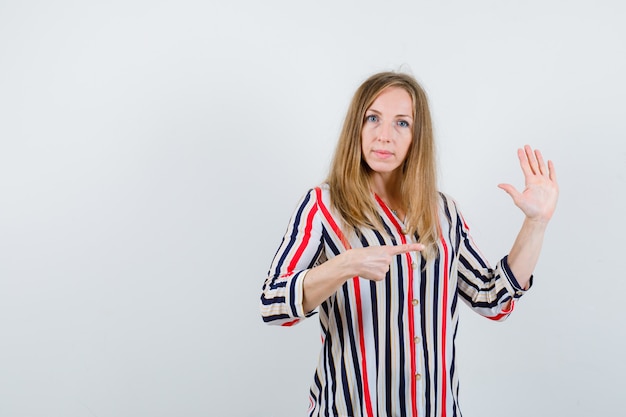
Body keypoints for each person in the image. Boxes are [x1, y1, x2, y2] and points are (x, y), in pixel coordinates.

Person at [260, 71, 558, 417]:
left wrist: (535, 223)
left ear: (418, 136)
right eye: (373, 118)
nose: (384, 136)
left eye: (402, 123)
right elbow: (273, 303)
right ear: (355, 126)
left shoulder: (444, 211)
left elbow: (492, 298)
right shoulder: (323, 206)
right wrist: (345, 265)